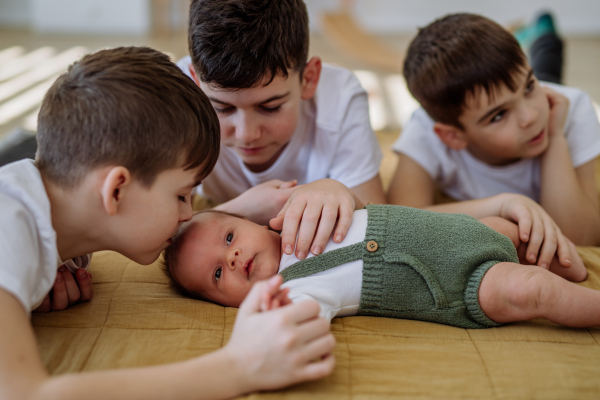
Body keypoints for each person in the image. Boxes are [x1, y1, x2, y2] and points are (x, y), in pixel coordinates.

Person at [0, 46, 335, 400]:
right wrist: (238, 367)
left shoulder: (64, 225)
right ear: (116, 191)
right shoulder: (9, 227)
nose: (188, 214)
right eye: (181, 196)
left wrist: (236, 212)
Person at [160, 202, 594, 329]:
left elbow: (345, 198)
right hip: (461, 284)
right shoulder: (292, 291)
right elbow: (304, 320)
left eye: (230, 238)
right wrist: (271, 317)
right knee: (532, 289)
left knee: (517, 231)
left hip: (470, 232)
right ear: (223, 304)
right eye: (218, 275)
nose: (232, 258)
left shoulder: (301, 216)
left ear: (248, 222)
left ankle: (574, 269)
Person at [178, 0, 386, 260]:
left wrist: (344, 195)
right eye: (222, 108)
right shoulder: (180, 97)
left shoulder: (340, 99)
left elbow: (380, 226)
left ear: (308, 79)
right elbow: (153, 227)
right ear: (195, 83)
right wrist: (244, 210)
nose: (247, 134)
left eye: (270, 107)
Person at [387, 13, 600, 247]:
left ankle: (545, 34)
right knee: (536, 75)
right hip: (522, 88)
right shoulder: (423, 131)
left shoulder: (569, 108)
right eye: (499, 115)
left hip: (546, 87)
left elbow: (581, 238)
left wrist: (555, 137)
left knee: (548, 61)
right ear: (453, 136)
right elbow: (400, 221)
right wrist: (502, 204)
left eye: (529, 86)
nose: (530, 117)